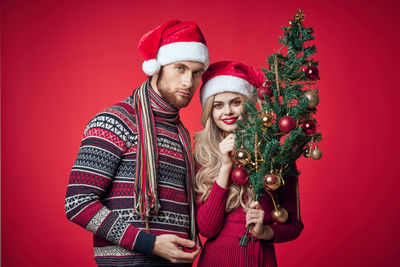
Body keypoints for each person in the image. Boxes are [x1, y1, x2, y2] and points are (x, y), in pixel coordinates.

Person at [65, 20, 209, 267]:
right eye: (180, 68)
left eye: (196, 73)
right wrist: (149, 244)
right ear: (157, 68)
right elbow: (78, 202)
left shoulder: (181, 132)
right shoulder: (116, 120)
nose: (189, 82)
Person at [194, 61, 304, 267]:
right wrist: (225, 166)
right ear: (210, 111)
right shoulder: (203, 157)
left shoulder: (276, 155)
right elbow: (207, 228)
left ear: (250, 104)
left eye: (236, 102)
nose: (228, 111)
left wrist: (265, 232)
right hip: (217, 259)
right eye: (218, 105)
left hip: (259, 257)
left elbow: (295, 225)